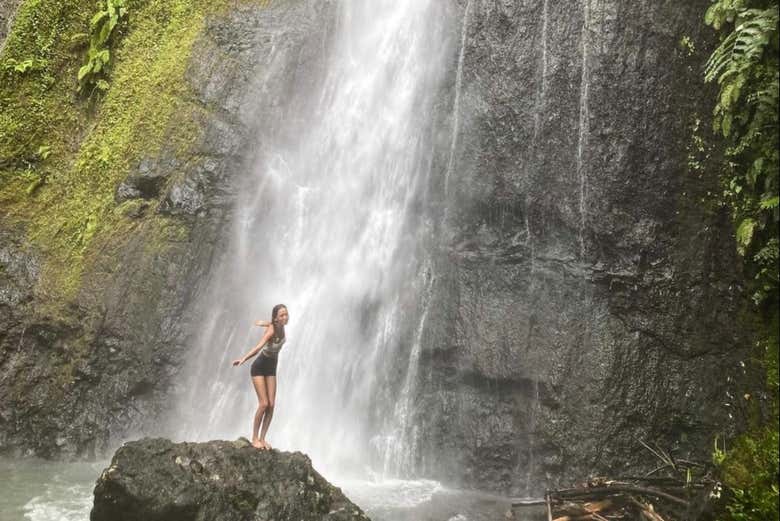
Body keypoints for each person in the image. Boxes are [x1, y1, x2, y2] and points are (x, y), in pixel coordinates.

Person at [232, 304, 289, 450]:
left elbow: (269, 322)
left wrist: (262, 322)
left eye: (286, 314)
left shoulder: (279, 326)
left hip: (271, 368)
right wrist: (243, 359)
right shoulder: (271, 331)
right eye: (282, 315)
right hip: (259, 366)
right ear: (276, 318)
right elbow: (258, 348)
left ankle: (263, 439)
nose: (285, 317)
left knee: (271, 405)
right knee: (263, 404)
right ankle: (254, 438)